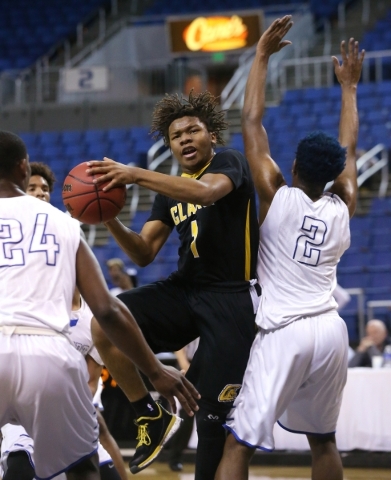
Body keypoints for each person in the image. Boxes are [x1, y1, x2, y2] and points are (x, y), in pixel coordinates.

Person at [0, 130, 199, 480]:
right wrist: (154, 372)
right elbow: (106, 309)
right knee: (83, 470)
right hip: (49, 354)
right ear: (22, 168)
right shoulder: (61, 222)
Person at [215, 17, 365, 480]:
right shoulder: (345, 205)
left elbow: (251, 120)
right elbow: (350, 148)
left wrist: (260, 57)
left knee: (238, 445)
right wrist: (350, 90)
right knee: (324, 442)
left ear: (294, 164)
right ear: (337, 174)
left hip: (284, 332)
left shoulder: (275, 193)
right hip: (330, 331)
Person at [85, 89, 260, 478]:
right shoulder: (170, 191)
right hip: (185, 290)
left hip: (231, 298)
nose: (184, 139)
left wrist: (135, 174)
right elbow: (144, 252)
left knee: (211, 422)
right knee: (105, 323)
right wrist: (108, 215)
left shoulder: (229, 162)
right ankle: (149, 412)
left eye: (192, 130)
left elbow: (207, 192)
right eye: (176, 135)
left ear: (211, 135)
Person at [167, 338, 199, 472]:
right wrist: (185, 365)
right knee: (188, 413)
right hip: (187, 366)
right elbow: (179, 348)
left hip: (209, 365)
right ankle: (175, 457)